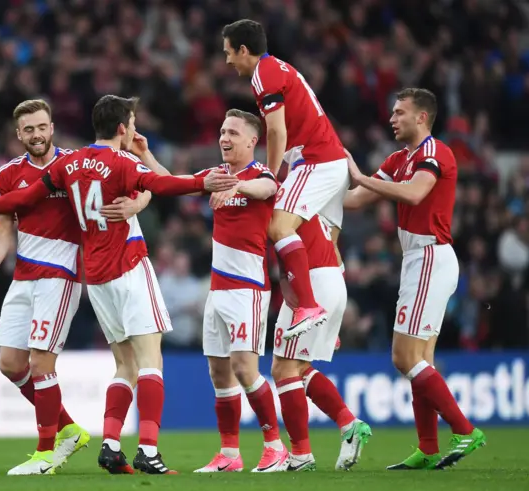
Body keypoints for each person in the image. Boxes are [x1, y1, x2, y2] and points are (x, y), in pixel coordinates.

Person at [0, 95, 239, 475]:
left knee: (124, 366)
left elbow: (28, 196)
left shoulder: (69, 162)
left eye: (42, 126)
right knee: (151, 361)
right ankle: (148, 451)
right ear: (123, 128)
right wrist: (204, 181)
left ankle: (110, 444)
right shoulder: (122, 163)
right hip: (128, 263)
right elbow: (164, 184)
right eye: (133, 123)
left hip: (95, 275)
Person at [344, 88, 486, 470]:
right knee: (421, 360)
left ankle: (465, 430)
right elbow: (356, 198)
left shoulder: (435, 152)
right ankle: (427, 449)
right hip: (416, 259)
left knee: (403, 357)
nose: (392, 119)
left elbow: (415, 194)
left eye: (399, 112)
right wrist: (305, 194)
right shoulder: (397, 158)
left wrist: (362, 177)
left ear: (422, 117)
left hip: (429, 256)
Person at [140, 109, 287, 472]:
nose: (224, 138)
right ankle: (230, 455)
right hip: (218, 291)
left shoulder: (259, 174)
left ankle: (275, 447)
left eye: (233, 133)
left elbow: (268, 188)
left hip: (248, 290)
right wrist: (144, 154)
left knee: (244, 367)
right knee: (219, 373)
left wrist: (236, 186)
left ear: (252, 141)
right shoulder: (213, 176)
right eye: (222, 131)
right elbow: (171, 181)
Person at [0, 99, 107, 475]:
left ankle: (45, 453)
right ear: (19, 135)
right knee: (10, 364)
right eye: (28, 129)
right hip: (23, 277)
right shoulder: (7, 175)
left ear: (52, 127)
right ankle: (69, 429)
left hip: (60, 276)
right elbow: (2, 229)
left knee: (40, 363)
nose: (36, 134)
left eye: (41, 126)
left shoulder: (74, 167)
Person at [222, 19, 349, 340]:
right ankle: (330, 323)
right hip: (330, 159)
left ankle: (307, 305)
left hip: (315, 160)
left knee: (278, 226)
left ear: (243, 50)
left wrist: (268, 172)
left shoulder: (264, 74)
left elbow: (276, 130)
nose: (227, 60)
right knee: (325, 242)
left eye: (229, 53)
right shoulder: (277, 68)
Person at [272, 214, 371, 471]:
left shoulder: (279, 199)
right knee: (298, 368)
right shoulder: (309, 206)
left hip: (312, 281)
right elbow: (336, 254)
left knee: (284, 369)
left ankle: (301, 455)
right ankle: (349, 425)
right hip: (332, 279)